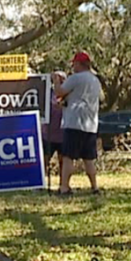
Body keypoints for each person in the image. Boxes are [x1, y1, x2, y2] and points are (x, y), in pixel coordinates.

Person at [55, 51, 102, 195]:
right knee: (89, 159)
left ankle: (64, 188)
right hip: (90, 125)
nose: (73, 67)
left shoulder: (75, 78)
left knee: (68, 156)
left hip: (74, 123)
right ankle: (94, 187)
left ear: (79, 64)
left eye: (74, 64)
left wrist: (56, 81)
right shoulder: (95, 80)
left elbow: (59, 92)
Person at [44, 71, 67, 188]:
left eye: (62, 79)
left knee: (64, 161)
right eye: (57, 79)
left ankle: (63, 184)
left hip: (63, 133)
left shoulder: (68, 93)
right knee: (45, 159)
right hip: (48, 133)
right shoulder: (47, 93)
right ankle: (41, 183)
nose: (59, 81)